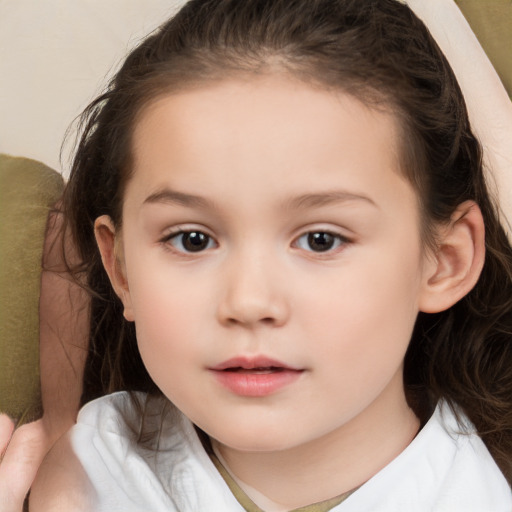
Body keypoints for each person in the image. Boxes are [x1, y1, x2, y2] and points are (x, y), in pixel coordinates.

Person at [5, 0, 512, 509]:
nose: (248, 302)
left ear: (444, 260)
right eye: (192, 239)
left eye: (321, 240)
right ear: (121, 269)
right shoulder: (94, 468)